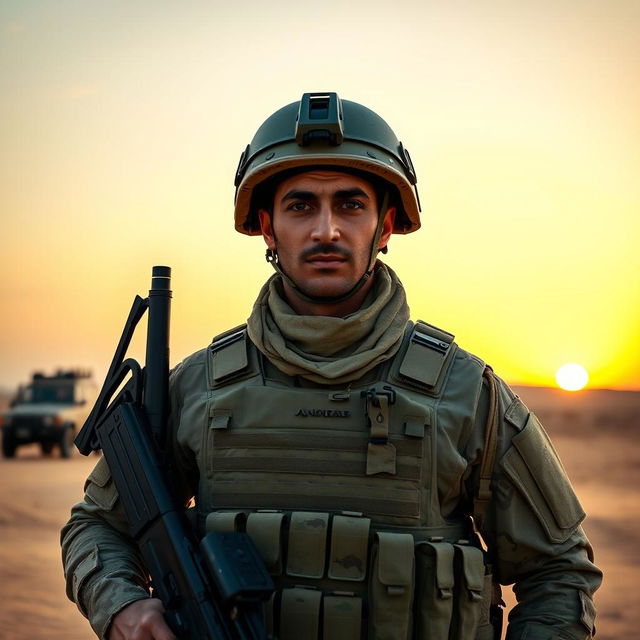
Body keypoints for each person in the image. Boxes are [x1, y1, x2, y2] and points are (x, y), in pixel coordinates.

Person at [61, 92, 601, 640]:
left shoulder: (467, 393)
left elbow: (558, 572)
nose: (326, 231)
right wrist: (125, 608)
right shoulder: (197, 388)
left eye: (350, 204)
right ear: (268, 229)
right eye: (300, 207)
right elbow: (97, 525)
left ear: (385, 226)